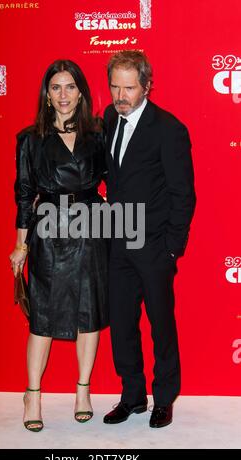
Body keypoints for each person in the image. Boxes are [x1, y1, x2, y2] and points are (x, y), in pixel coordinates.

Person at [9, 59, 109, 432]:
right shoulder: (30, 139)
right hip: (48, 233)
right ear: (46, 95)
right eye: (56, 88)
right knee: (43, 318)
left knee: (90, 313)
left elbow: (112, 181)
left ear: (80, 92)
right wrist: (20, 245)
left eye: (70, 87)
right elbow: (24, 195)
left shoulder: (97, 134)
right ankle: (32, 394)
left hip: (93, 230)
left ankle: (82, 390)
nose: (63, 95)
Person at [103, 50, 196, 428]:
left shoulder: (169, 129)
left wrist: (171, 247)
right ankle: (132, 396)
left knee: (161, 324)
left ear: (147, 86)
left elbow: (183, 193)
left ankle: (164, 399)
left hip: (155, 245)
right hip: (117, 242)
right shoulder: (109, 119)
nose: (120, 95)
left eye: (129, 87)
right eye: (114, 86)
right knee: (122, 323)